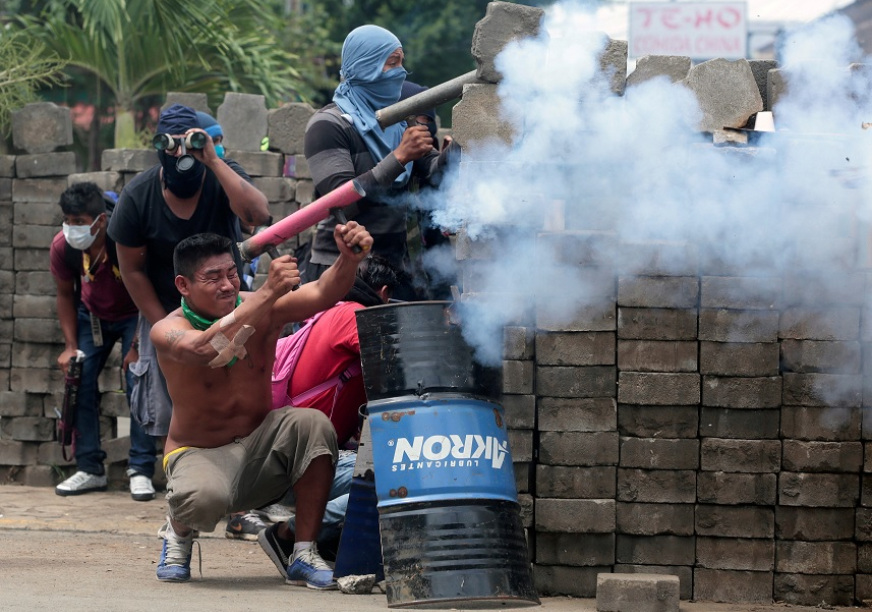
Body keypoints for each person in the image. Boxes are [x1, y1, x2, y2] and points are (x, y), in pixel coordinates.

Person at [150, 221, 373, 588]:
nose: (227, 285)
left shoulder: (262, 305)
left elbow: (322, 292)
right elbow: (205, 349)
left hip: (261, 446)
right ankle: (178, 534)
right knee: (202, 498)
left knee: (312, 423)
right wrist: (267, 292)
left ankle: (302, 553)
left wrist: (348, 260)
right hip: (199, 452)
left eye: (232, 274)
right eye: (213, 278)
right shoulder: (167, 329)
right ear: (183, 285)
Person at [108, 103, 271, 444]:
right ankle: (179, 463)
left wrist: (212, 160)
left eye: (190, 142)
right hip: (166, 309)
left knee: (233, 384)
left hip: (228, 310)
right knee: (171, 403)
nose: (181, 153)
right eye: (171, 144)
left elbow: (257, 215)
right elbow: (132, 270)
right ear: (160, 147)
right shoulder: (139, 195)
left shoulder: (223, 175)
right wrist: (165, 326)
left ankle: (241, 458)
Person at [302, 24, 455, 298]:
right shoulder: (328, 124)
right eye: (392, 63)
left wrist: (456, 150)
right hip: (341, 269)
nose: (401, 72)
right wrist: (399, 157)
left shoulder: (400, 121)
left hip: (393, 269)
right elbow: (340, 201)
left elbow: (433, 172)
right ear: (364, 65)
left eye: (402, 63)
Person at [49, 182, 158, 500]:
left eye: (79, 221)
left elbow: (148, 291)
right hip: (92, 315)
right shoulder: (63, 247)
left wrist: (136, 346)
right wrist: (70, 347)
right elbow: (64, 295)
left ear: (100, 220)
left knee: (138, 378)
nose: (71, 227)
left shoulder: (123, 239)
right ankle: (90, 468)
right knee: (78, 378)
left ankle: (140, 469)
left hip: (135, 315)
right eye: (67, 220)